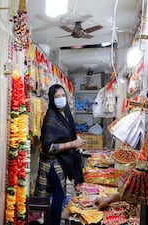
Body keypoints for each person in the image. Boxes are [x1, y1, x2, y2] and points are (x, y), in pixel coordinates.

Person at [35, 84, 86, 225]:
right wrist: (72, 144)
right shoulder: (51, 117)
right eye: (57, 96)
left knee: (58, 196)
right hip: (52, 164)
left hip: (61, 162)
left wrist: (75, 140)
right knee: (58, 196)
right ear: (52, 99)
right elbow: (48, 147)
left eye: (63, 95)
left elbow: (67, 135)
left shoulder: (65, 114)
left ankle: (52, 221)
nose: (61, 98)